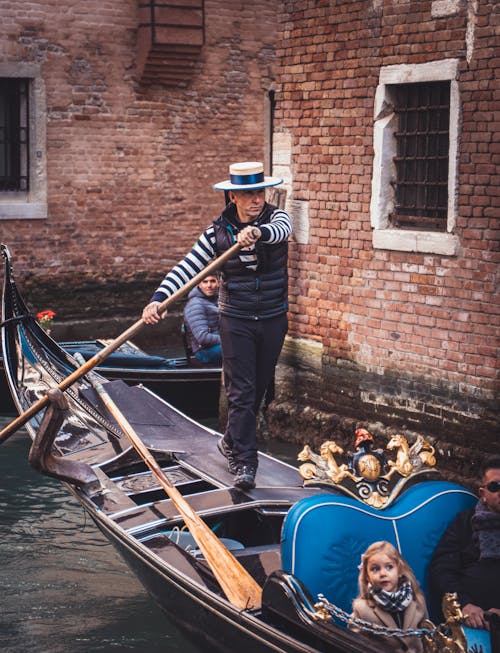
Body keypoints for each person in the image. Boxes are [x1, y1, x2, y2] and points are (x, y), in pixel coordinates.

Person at [142, 161, 291, 490]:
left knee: (258, 392)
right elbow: (188, 266)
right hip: (235, 318)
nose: (256, 199)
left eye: (260, 192)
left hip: (272, 318)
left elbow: (282, 231)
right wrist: (158, 299)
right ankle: (244, 462)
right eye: (248, 194)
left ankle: (229, 441)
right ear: (233, 197)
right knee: (241, 392)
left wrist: (258, 233)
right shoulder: (216, 232)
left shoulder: (276, 217)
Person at [429, 455, 500, 630]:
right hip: (470, 620)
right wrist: (463, 604)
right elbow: (442, 568)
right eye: (495, 486)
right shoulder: (466, 522)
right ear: (483, 494)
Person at [351, 540, 428, 653]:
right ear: (367, 576)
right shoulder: (362, 609)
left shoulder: (417, 601)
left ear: (400, 571)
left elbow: (428, 638)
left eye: (389, 567)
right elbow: (354, 646)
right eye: (375, 569)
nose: (383, 574)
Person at [183, 274, 222, 365]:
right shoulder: (195, 305)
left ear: (219, 283)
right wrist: (232, 340)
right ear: (199, 284)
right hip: (205, 351)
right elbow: (203, 338)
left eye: (212, 281)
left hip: (221, 345)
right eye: (205, 282)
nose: (209, 285)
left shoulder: (220, 300)